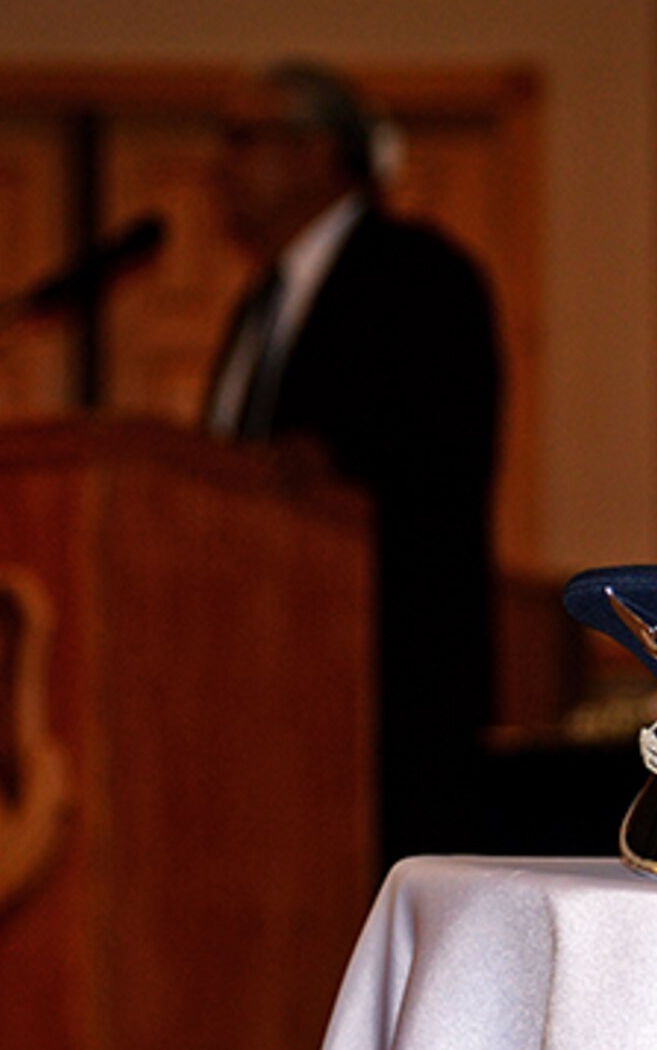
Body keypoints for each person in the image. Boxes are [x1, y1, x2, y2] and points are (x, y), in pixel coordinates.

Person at [205, 61, 502, 865]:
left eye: (243, 138)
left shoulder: (420, 278)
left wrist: (331, 470)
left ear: (317, 152)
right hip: (264, 682)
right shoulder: (257, 307)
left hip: (387, 697)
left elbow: (444, 465)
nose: (220, 165)